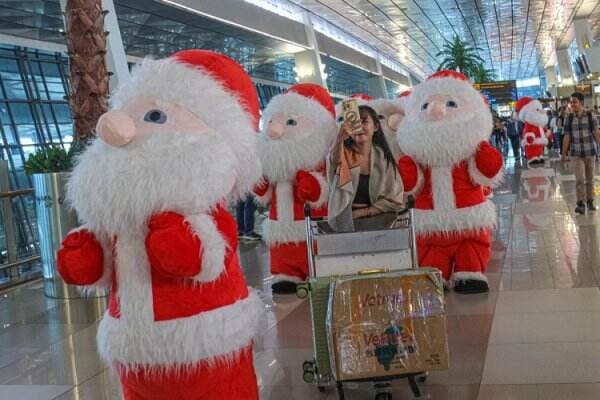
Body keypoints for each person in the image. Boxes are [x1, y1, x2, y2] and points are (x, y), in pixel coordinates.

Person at [56, 50, 264, 399]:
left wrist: (178, 243)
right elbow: (103, 267)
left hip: (208, 344)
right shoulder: (120, 216)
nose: (116, 129)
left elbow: (203, 259)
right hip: (135, 350)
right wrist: (87, 259)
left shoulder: (205, 214)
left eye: (153, 116)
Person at [327, 105, 404, 232]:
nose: (359, 127)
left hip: (380, 222)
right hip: (344, 222)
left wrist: (364, 212)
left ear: (376, 127)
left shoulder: (384, 158)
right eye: (354, 123)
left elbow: (395, 199)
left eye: (364, 121)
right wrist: (339, 138)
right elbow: (334, 161)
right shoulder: (342, 152)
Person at [561, 92, 600, 214]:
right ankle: (580, 203)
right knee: (580, 179)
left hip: (590, 152)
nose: (572, 104)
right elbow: (567, 137)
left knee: (590, 179)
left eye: (574, 102)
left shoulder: (590, 115)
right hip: (576, 154)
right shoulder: (569, 118)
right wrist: (563, 154)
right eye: (571, 102)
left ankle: (590, 201)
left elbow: (596, 133)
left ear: (581, 102)